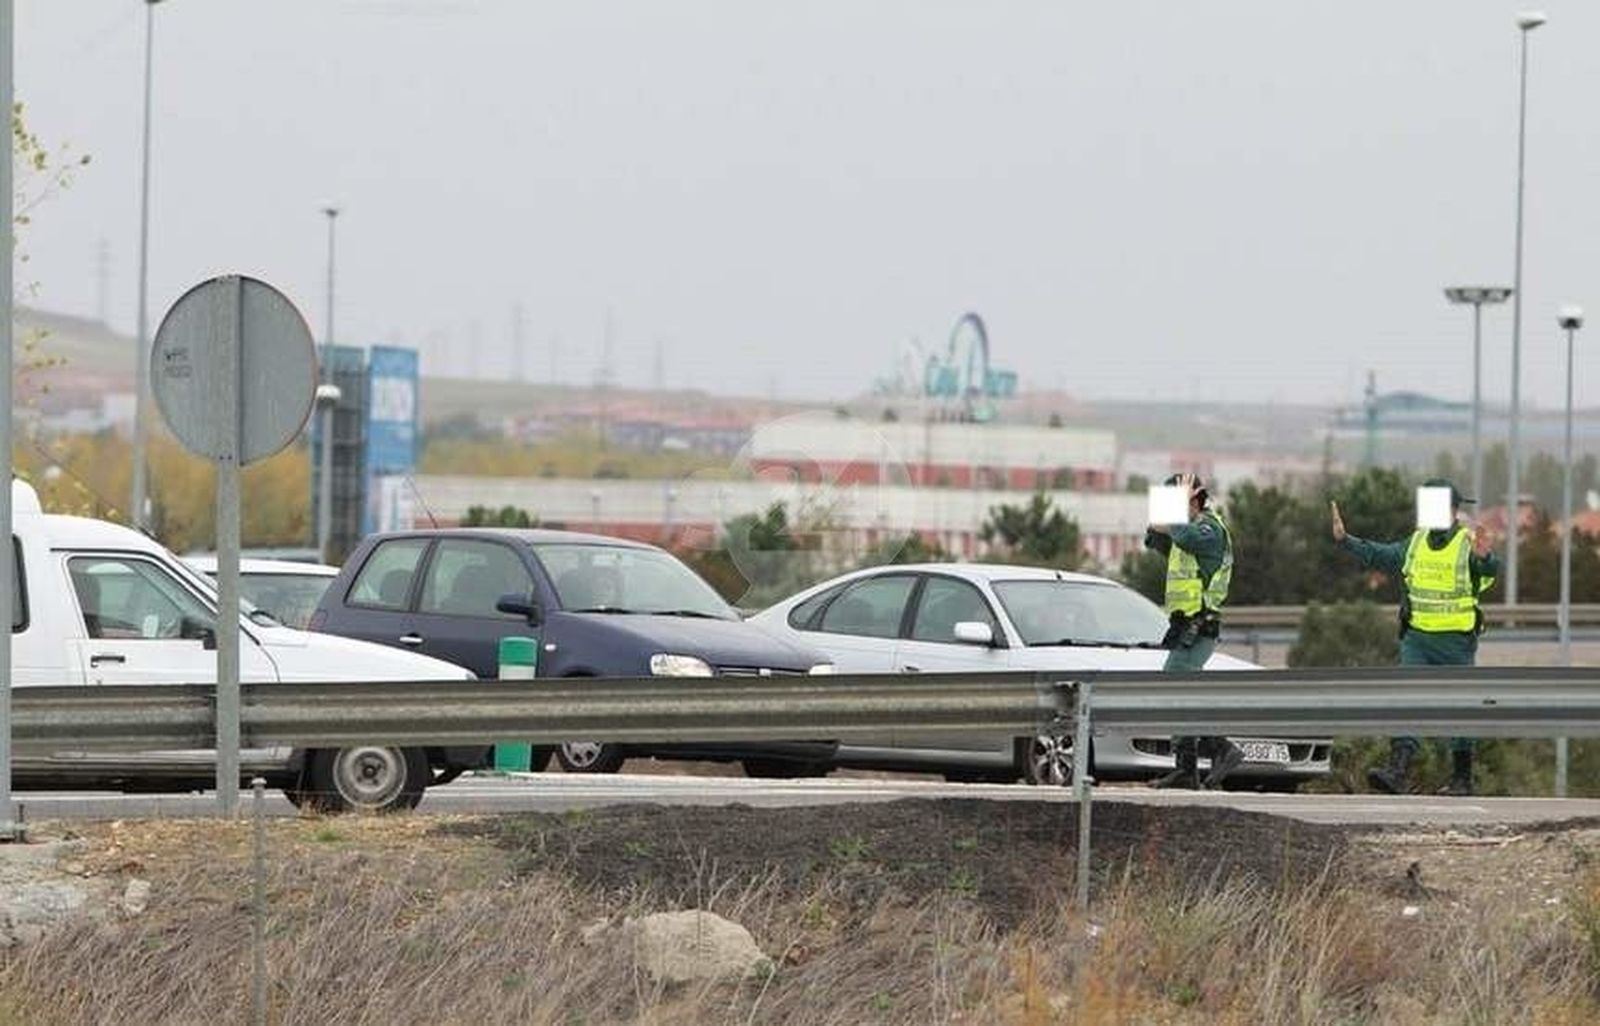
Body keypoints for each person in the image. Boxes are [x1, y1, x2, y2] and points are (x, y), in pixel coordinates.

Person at [1331, 478, 1499, 796]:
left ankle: (1462, 779)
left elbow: (1489, 571)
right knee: (1407, 697)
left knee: (1460, 707)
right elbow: (1382, 555)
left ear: (1453, 510)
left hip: (1456, 643)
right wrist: (1346, 540)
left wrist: (1485, 559)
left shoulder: (1467, 542)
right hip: (1418, 640)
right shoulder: (1416, 542)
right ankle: (1397, 770)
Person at [1146, 473, 1246, 790]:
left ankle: (1221, 748)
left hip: (1200, 625)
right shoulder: (1185, 532)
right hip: (1184, 625)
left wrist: (1175, 515)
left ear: (1193, 499)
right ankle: (1186, 769)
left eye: (1175, 500)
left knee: (1174, 687)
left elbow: (1186, 538)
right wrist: (1159, 520)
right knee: (1178, 691)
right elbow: (1156, 541)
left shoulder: (1209, 530)